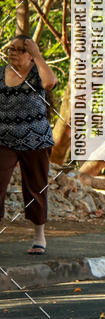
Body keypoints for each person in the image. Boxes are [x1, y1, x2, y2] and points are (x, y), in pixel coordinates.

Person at [0, 34, 57, 254]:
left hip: (36, 140)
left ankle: (39, 236)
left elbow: (49, 83)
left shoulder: (37, 73)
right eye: (11, 48)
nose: (13, 52)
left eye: (19, 49)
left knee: (35, 187)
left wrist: (38, 56)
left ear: (30, 54)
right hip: (4, 139)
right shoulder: (1, 73)